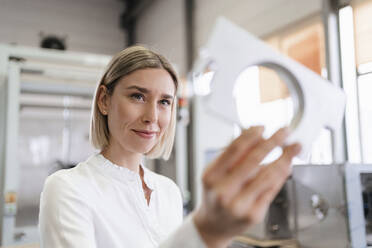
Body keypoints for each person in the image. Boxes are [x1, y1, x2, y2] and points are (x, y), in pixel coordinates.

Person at [38, 45, 301, 248]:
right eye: (138, 96)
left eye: (164, 101)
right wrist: (204, 232)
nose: (152, 116)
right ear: (104, 100)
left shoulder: (168, 192)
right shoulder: (68, 189)